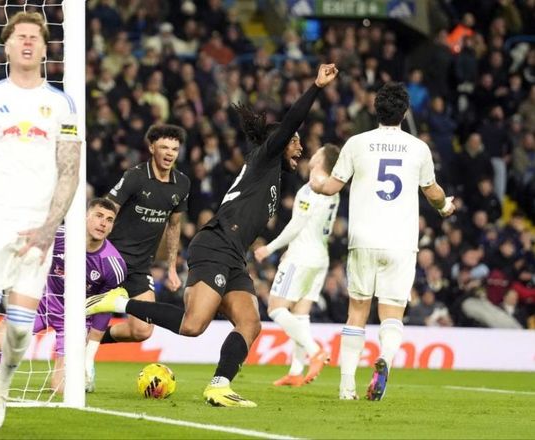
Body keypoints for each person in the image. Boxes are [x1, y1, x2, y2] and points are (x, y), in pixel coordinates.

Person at [88, 64, 339, 407]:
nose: (299, 148)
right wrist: (316, 87)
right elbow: (291, 121)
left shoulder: (272, 177)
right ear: (279, 142)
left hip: (234, 256)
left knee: (250, 323)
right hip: (215, 245)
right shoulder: (264, 157)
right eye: (294, 142)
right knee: (193, 326)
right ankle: (116, 303)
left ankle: (219, 386)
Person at [0, 11, 82, 435]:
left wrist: (49, 228)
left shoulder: (62, 104)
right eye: (20, 36)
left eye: (34, 37)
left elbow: (70, 171)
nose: (27, 42)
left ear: (45, 48)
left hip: (37, 227)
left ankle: (1, 387)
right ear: (6, 46)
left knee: (21, 332)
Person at [309, 82, 455, 401]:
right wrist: (445, 206)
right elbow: (432, 192)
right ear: (405, 112)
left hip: (363, 239)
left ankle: (347, 387)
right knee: (392, 312)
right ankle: (385, 359)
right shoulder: (418, 148)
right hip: (401, 241)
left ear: (375, 110)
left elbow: (331, 187)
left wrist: (315, 181)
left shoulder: (356, 143)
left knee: (357, 310)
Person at [0, 198, 126, 394]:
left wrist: (89, 355)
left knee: (61, 389)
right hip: (43, 303)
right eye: (99, 216)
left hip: (76, 319)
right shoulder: (58, 236)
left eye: (109, 220)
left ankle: (83, 373)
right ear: (85, 216)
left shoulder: (113, 265)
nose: (103, 223)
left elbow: (104, 310)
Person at [253, 144, 341, 387]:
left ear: (321, 160)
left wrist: (269, 248)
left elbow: (297, 225)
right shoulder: (334, 189)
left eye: (318, 152)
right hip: (320, 257)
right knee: (300, 315)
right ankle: (295, 371)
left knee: (275, 308)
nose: (312, 154)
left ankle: (315, 351)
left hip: (302, 257)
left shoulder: (312, 187)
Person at [98, 124, 190, 345]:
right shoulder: (135, 177)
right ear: (151, 148)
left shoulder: (182, 184)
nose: (169, 153)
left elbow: (174, 226)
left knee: (142, 330)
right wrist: (92, 249)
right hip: (111, 260)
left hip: (139, 268)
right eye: (164, 147)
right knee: (88, 315)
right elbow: (106, 210)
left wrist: (171, 268)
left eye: (174, 149)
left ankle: (90, 341)